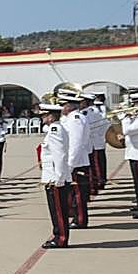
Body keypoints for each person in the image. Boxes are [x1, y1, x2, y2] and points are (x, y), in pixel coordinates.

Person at [38, 103, 73, 248]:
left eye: (44, 115)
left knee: (59, 211)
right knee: (56, 210)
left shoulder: (55, 130)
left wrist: (59, 178)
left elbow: (59, 155)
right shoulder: (55, 128)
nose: (42, 118)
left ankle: (61, 238)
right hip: (53, 176)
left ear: (51, 117)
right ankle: (58, 235)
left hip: (55, 178)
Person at [59, 92, 91, 229]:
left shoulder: (75, 119)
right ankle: (77, 217)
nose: (61, 108)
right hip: (76, 160)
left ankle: (80, 220)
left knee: (78, 194)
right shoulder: (71, 118)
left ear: (69, 106)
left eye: (63, 105)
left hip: (77, 162)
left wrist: (70, 164)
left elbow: (75, 143)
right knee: (74, 193)